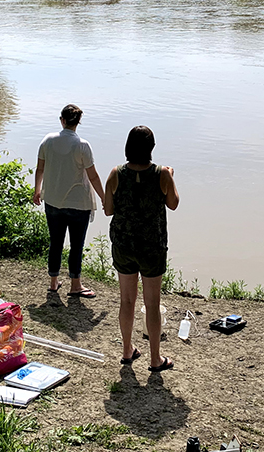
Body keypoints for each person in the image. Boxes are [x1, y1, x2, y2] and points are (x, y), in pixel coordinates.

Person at [103, 125, 180, 372]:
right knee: (152, 302)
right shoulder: (161, 174)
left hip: (124, 244)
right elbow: (174, 204)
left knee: (126, 300)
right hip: (151, 246)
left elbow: (108, 210)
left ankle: (127, 350)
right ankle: (155, 359)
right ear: (151, 149)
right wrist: (170, 176)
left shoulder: (116, 173)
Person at [33, 104, 105, 298]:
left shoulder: (47, 141)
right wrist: (104, 198)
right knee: (76, 245)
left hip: (53, 201)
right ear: (77, 122)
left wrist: (37, 190)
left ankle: (54, 282)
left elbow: (40, 168)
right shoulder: (82, 145)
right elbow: (93, 176)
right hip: (78, 203)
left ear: (62, 120)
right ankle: (75, 285)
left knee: (55, 242)